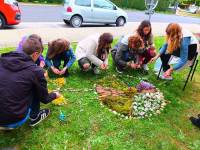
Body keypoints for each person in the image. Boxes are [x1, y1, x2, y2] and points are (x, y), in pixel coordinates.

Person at [0, 38, 60, 129]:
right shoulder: (36, 71)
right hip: (13, 120)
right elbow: (44, 98)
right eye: (40, 55)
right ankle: (35, 117)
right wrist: (55, 95)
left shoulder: (3, 60)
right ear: (35, 54)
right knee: (35, 88)